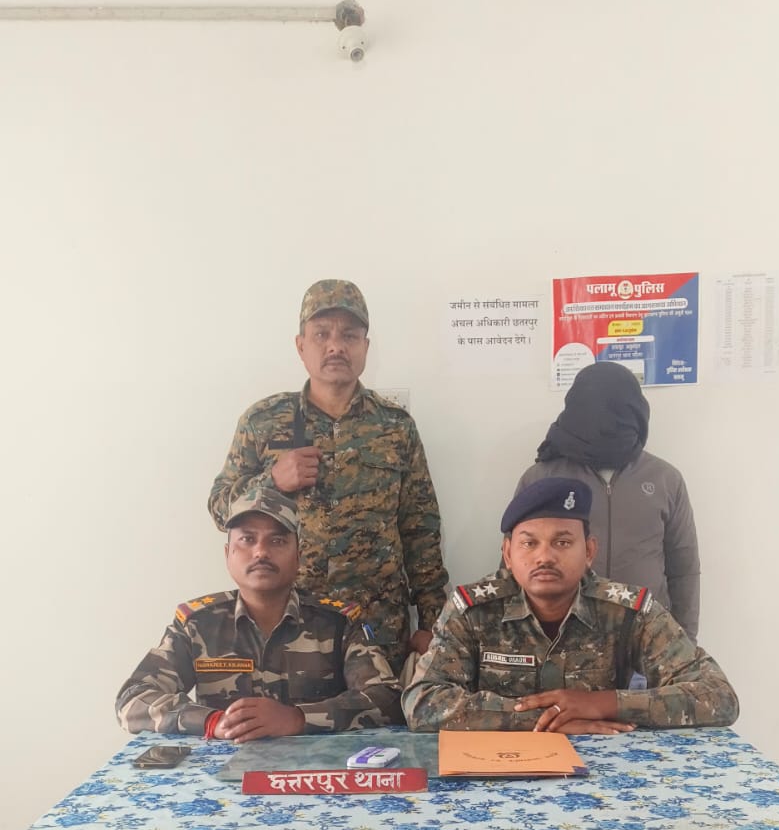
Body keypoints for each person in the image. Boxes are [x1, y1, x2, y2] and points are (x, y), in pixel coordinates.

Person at [207, 279, 448, 675]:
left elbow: (420, 529)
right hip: (290, 623)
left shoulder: (395, 426)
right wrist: (271, 481)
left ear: (365, 347)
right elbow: (220, 510)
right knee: (289, 714)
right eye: (322, 334)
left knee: (377, 715)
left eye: (349, 335)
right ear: (301, 346)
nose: (336, 346)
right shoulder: (263, 421)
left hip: (378, 626)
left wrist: (432, 623)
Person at [402, 479, 737, 733]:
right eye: (529, 543)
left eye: (562, 542)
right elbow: (422, 702)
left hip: (603, 769)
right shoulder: (472, 610)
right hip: (499, 771)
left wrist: (601, 704)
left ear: (589, 551)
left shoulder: (628, 610)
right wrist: (544, 720)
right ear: (508, 553)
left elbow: (718, 696)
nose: (544, 557)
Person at [116, 492, 403, 740]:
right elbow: (133, 699)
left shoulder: (337, 623)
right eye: (247, 539)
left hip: (314, 772)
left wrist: (299, 718)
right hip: (224, 772)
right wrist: (212, 721)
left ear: (299, 556)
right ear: (228, 554)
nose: (260, 552)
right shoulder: (198, 625)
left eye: (277, 541)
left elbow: (387, 698)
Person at [514, 362, 701, 639]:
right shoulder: (542, 478)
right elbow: (516, 563)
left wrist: (685, 640)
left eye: (618, 408)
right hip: (562, 638)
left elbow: (684, 569)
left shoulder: (665, 479)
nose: (605, 418)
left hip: (647, 638)